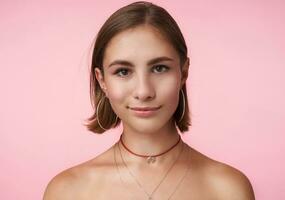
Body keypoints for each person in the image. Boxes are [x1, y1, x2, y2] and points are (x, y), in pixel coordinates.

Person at [43, 1, 255, 199]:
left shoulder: (229, 189)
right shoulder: (67, 191)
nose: (144, 91)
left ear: (184, 72)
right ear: (102, 80)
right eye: (123, 71)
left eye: (159, 68)